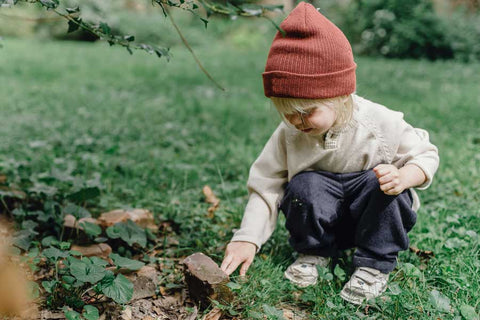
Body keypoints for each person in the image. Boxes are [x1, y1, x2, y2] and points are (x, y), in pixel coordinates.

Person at [220, 1, 439, 305]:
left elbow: (426, 154)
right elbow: (266, 186)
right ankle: (314, 252)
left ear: (339, 94)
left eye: (306, 112)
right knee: (304, 185)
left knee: (386, 186)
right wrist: (247, 238)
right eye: (288, 114)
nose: (297, 122)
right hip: (322, 216)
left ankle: (373, 266)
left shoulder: (379, 123)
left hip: (369, 214)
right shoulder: (290, 134)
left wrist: (404, 176)